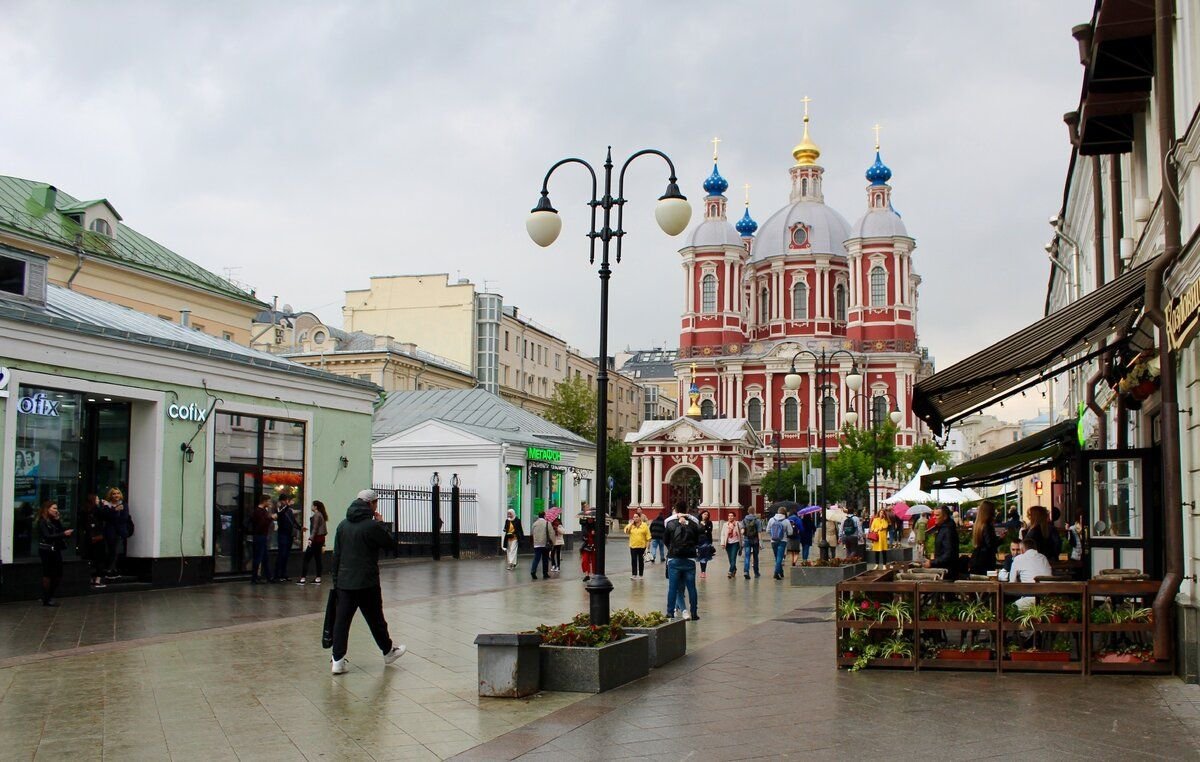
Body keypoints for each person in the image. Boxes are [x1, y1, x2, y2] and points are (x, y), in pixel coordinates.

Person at [330, 489, 405, 675]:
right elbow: (390, 545)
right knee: (376, 619)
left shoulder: (342, 525)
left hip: (345, 582)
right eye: (376, 503)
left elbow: (336, 555)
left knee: (341, 622)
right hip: (367, 582)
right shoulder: (371, 526)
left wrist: (336, 581)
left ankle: (337, 660)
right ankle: (388, 652)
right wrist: (382, 524)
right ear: (370, 504)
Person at [664, 502, 700, 621]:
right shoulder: (694, 524)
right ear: (687, 509)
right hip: (689, 559)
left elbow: (666, 540)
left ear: (675, 510)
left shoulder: (670, 523)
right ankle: (694, 613)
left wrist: (678, 516)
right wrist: (687, 516)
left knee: (673, 588)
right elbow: (696, 539)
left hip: (674, 558)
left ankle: (670, 612)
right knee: (692, 588)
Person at [36, 500, 72, 606]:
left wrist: (58, 521)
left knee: (58, 574)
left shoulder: (54, 521)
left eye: (57, 508)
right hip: (46, 550)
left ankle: (50, 595)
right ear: (47, 509)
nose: (56, 511)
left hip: (55, 549)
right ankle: (46, 598)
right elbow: (47, 536)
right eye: (54, 508)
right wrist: (63, 534)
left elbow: (59, 531)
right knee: (48, 573)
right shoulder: (42, 521)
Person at [1007, 537, 1053, 610]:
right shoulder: (1043, 557)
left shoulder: (1018, 558)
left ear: (1022, 550)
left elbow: (1012, 583)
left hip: (1030, 599)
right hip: (1047, 599)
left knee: (1011, 608)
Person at [100, 487, 133, 578]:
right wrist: (114, 511)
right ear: (110, 495)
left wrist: (114, 514)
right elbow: (105, 517)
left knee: (115, 550)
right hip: (109, 531)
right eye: (114, 494)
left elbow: (124, 518)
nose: (116, 495)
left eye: (118, 493)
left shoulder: (124, 505)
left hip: (119, 531)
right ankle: (108, 569)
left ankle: (111, 569)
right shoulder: (106, 505)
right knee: (109, 550)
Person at [78, 493, 107, 589]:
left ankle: (89, 578)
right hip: (98, 538)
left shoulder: (83, 511)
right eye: (97, 499)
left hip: (88, 538)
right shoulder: (98, 510)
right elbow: (105, 517)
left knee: (89, 558)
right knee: (99, 558)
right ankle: (97, 580)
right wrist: (104, 506)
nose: (99, 500)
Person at [924, 506, 960, 580]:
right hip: (944, 569)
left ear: (945, 517)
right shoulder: (943, 528)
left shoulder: (948, 530)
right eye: (934, 515)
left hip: (947, 571)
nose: (934, 517)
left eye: (937, 515)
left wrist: (932, 563)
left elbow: (948, 554)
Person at [298, 500, 328, 584]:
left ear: (315, 507)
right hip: (321, 539)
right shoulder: (322, 515)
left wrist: (310, 539)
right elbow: (323, 529)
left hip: (315, 540)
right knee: (318, 559)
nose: (311, 507)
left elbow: (314, 529)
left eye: (312, 505)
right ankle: (318, 578)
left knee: (306, 558)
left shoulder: (316, 515)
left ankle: (303, 578)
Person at [968, 500, 1000, 575]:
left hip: (977, 558)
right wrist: (1000, 539)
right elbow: (990, 544)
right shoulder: (987, 526)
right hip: (986, 560)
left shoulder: (978, 525)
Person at [273, 491, 298, 582]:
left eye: (287, 500)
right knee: (281, 554)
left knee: (286, 555)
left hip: (289, 535)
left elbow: (293, 521)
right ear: (281, 501)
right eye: (285, 501)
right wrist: (287, 505)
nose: (286, 502)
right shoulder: (279, 509)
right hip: (282, 534)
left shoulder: (289, 510)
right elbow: (280, 514)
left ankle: (284, 574)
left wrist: (300, 528)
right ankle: (277, 575)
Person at [248, 494, 273, 584]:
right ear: (264, 501)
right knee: (258, 557)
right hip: (260, 536)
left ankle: (268, 577)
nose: (270, 503)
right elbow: (262, 524)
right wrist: (271, 519)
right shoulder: (259, 511)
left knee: (265, 558)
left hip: (261, 536)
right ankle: (254, 578)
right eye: (269, 501)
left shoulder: (261, 511)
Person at [623, 513, 650, 579]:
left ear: (640, 518)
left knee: (641, 561)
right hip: (633, 546)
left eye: (636, 517)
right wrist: (630, 524)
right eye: (634, 517)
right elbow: (626, 531)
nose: (635, 518)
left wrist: (647, 548)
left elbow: (648, 537)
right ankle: (634, 574)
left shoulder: (644, 525)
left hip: (642, 546)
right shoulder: (631, 525)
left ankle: (641, 575)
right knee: (634, 560)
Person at [767, 507, 789, 580]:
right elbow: (791, 532)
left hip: (773, 541)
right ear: (785, 513)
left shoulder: (771, 519)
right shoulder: (786, 521)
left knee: (777, 557)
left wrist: (773, 535)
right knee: (780, 557)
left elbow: (767, 530)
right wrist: (785, 533)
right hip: (782, 541)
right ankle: (776, 572)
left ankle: (781, 572)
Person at [529, 511, 552, 580]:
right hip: (545, 544)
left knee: (536, 559)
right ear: (544, 516)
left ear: (538, 516)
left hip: (536, 544)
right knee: (545, 559)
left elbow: (532, 534)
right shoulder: (547, 523)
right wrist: (553, 542)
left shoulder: (534, 524)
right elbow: (551, 533)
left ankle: (533, 571)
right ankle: (545, 574)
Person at [720, 511, 743, 578]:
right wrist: (722, 543)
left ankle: (730, 571)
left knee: (733, 557)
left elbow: (742, 530)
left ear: (734, 517)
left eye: (732, 516)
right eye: (729, 516)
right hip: (728, 543)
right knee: (730, 558)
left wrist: (742, 531)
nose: (730, 517)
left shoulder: (738, 524)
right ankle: (734, 569)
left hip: (735, 543)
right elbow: (723, 534)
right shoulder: (725, 524)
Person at [741, 510, 762, 579]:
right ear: (754, 512)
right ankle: (756, 573)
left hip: (747, 540)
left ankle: (746, 571)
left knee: (747, 556)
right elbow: (759, 532)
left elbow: (742, 531)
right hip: (755, 540)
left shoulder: (744, 520)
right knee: (755, 557)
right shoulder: (757, 521)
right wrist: (760, 543)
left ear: (748, 512)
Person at [697, 511, 714, 578]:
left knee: (704, 557)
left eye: (707, 515)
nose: (706, 516)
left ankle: (703, 571)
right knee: (697, 556)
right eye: (704, 514)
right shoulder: (697, 522)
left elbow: (709, 531)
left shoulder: (709, 523)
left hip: (706, 541)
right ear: (701, 514)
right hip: (697, 541)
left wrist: (705, 525)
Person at [579, 513, 597, 580]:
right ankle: (587, 575)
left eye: (591, 518)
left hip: (594, 545)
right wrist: (584, 537)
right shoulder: (585, 525)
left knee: (594, 560)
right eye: (588, 518)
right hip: (586, 545)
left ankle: (594, 574)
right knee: (585, 560)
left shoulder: (596, 525)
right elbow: (582, 535)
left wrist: (595, 533)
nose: (589, 520)